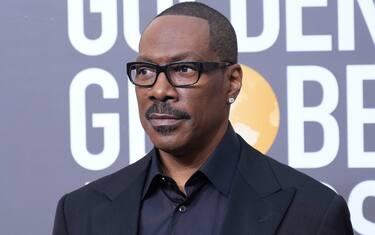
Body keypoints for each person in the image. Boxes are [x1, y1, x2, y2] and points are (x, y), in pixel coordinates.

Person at [53, 2, 353, 235]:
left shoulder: (311, 212)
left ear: (232, 81)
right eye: (145, 71)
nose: (159, 90)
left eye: (183, 69)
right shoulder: (81, 212)